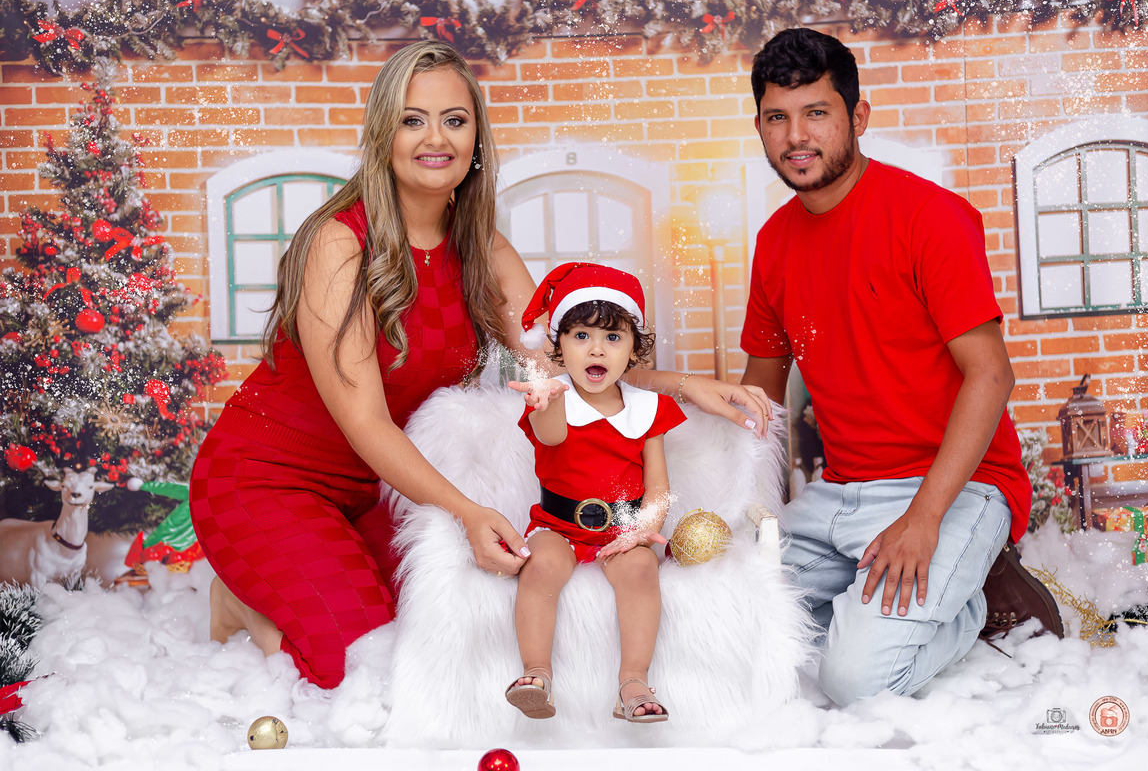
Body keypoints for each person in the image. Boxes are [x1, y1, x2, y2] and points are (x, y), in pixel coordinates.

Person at [189, 41, 772, 690]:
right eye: (412, 120)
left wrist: (686, 386)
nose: (435, 138)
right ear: (383, 133)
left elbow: (572, 364)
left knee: (445, 639)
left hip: (382, 488)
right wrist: (467, 511)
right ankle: (241, 603)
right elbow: (365, 421)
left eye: (454, 120)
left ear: (475, 138)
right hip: (268, 479)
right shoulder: (339, 244)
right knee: (362, 668)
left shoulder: (483, 251)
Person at [739, 28, 1061, 707]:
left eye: (816, 112)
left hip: (953, 486)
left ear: (858, 116)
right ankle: (887, 594)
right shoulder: (773, 243)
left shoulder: (930, 217)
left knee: (854, 681)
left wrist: (924, 517)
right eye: (777, 117)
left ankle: (971, 603)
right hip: (838, 495)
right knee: (731, 614)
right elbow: (760, 399)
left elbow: (991, 375)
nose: (796, 136)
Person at [504, 263, 681, 723]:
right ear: (559, 344)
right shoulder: (553, 398)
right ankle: (536, 673)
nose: (596, 348)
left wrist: (644, 529)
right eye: (581, 336)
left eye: (613, 337)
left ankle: (633, 682)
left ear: (634, 349)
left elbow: (658, 487)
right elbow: (552, 436)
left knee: (641, 569)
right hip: (557, 525)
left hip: (622, 527)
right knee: (541, 566)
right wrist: (544, 405)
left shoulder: (649, 408)